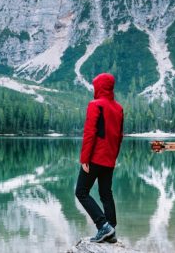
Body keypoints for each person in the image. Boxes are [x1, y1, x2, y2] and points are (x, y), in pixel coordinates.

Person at [75, 73, 124, 243]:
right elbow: (119, 136)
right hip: (109, 158)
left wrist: (84, 159)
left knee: (81, 192)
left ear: (99, 87)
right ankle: (111, 229)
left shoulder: (95, 105)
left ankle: (103, 226)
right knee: (105, 193)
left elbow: (90, 133)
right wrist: (113, 157)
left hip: (95, 157)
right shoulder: (118, 108)